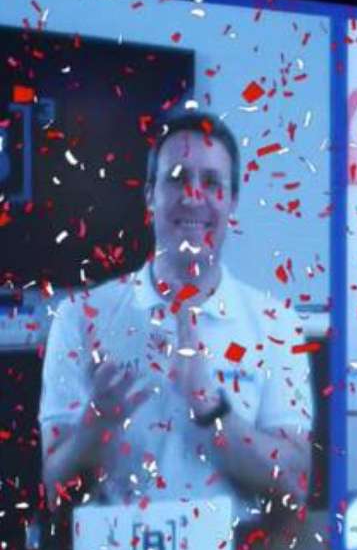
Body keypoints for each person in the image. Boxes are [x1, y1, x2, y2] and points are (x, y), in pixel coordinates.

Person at [40, 110, 314, 515]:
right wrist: (98, 425)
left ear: (232, 202)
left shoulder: (278, 324)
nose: (193, 195)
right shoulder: (79, 318)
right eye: (177, 178)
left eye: (212, 182)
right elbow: (55, 496)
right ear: (150, 195)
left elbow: (295, 487)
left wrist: (211, 409)